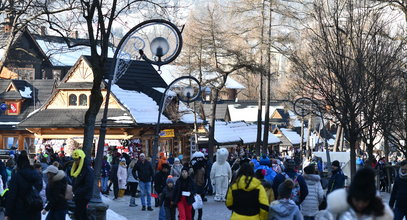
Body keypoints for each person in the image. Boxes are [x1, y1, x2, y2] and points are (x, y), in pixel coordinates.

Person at [323, 167, 393, 220]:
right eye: (357, 200)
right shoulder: (337, 208)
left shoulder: (380, 213)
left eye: (365, 201)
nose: (360, 205)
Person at [5, 150, 43, 220]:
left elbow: (12, 196)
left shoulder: (16, 176)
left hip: (20, 211)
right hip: (34, 209)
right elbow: (40, 190)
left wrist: (8, 213)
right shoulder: (37, 175)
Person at [70, 149, 94, 220]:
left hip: (84, 196)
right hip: (79, 196)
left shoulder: (88, 170)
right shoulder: (77, 168)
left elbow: (88, 185)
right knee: (82, 214)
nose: (75, 161)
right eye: (74, 160)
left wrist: (77, 192)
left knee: (79, 214)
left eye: (77, 160)